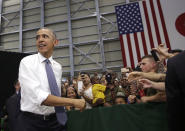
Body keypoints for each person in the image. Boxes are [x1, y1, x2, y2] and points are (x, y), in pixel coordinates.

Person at [18, 27, 85, 131]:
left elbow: (55, 93)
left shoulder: (57, 67)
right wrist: (73, 102)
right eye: (37, 37)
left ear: (55, 42)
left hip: (56, 120)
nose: (40, 40)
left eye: (45, 36)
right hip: (32, 123)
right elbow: (39, 97)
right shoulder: (27, 62)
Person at [165, 51, 185, 131]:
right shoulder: (176, 61)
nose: (141, 66)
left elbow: (174, 102)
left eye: (143, 64)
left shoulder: (177, 62)